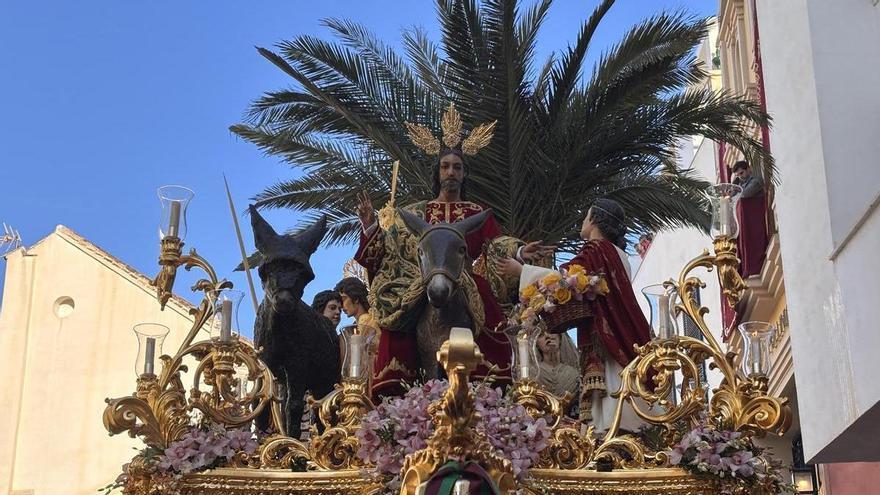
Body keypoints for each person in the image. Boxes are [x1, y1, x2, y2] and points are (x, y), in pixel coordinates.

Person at [355, 107, 552, 396]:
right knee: (397, 323)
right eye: (445, 166)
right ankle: (400, 381)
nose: (451, 172)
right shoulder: (415, 212)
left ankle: (491, 381)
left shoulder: (477, 213)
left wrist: (520, 253)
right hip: (420, 279)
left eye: (457, 167)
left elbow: (496, 244)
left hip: (464, 278)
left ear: (464, 174)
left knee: (488, 311)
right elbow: (391, 251)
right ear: (437, 173)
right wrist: (370, 226)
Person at [496, 198, 652, 431]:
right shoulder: (619, 254)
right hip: (623, 333)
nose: (582, 222)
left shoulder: (597, 249)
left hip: (607, 337)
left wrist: (521, 271)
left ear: (594, 220)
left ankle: (611, 432)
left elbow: (566, 281)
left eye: (585, 216)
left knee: (612, 390)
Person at [536, 332, 580, 416]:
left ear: (560, 338)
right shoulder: (532, 373)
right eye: (541, 335)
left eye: (552, 331)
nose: (548, 336)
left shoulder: (574, 374)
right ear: (537, 344)